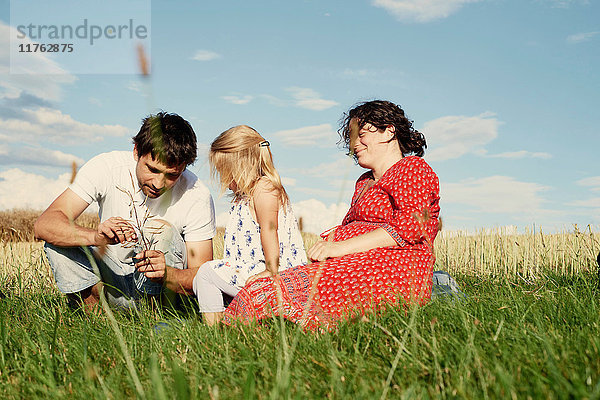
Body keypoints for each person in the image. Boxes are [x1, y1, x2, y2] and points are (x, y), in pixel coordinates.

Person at [222, 100, 440, 330]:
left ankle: (292, 332)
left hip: (395, 269)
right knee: (261, 289)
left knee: (270, 296)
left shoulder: (412, 168)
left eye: (361, 134)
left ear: (389, 131)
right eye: (351, 138)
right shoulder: (364, 182)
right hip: (356, 262)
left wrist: (339, 248)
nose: (354, 144)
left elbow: (410, 227)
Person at [34, 112, 216, 310]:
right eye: (152, 170)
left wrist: (167, 274)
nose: (158, 184)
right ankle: (97, 320)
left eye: (172, 175)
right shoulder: (106, 167)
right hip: (114, 282)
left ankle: (157, 317)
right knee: (58, 241)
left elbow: (202, 277)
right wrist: (97, 237)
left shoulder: (197, 194)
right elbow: (44, 225)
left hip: (165, 292)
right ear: (136, 151)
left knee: (161, 230)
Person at [192, 125, 307, 325]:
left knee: (206, 273)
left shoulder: (264, 189)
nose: (224, 181)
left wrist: (271, 270)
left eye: (225, 172)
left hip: (274, 274)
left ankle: (212, 331)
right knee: (205, 279)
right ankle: (229, 321)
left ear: (241, 165)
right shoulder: (246, 196)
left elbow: (269, 229)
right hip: (254, 269)